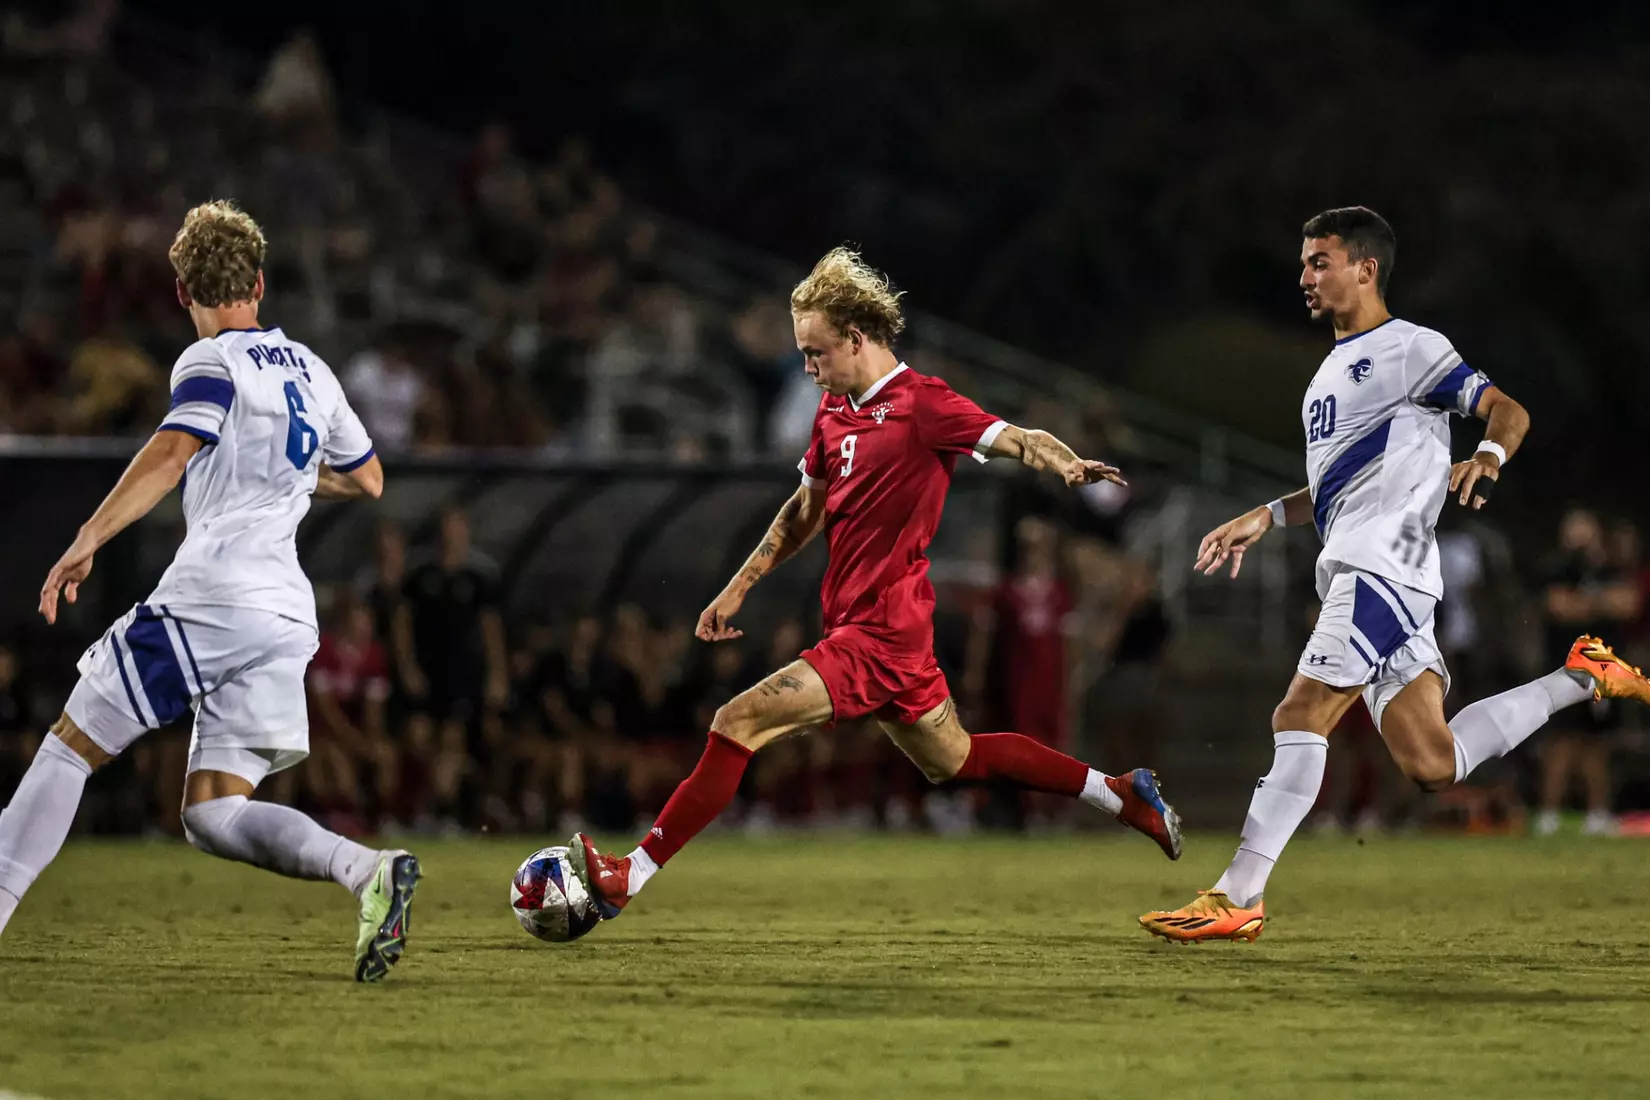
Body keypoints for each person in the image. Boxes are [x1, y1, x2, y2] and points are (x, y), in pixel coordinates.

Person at [567, 246, 1182, 922]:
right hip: (878, 632)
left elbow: (1017, 438)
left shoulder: (925, 404)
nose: (807, 367)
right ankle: (1119, 794)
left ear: (857, 338)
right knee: (957, 759)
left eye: (817, 352)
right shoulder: (833, 416)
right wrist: (739, 585)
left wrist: (1063, 461)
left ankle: (631, 873)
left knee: (736, 720)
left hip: (880, 632)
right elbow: (805, 511)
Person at [1140, 207, 1650, 943]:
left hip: (1383, 568)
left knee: (1299, 713)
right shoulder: (1325, 377)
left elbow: (1507, 409)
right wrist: (1267, 515)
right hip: (1377, 572)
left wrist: (1489, 456)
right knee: (1434, 762)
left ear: (1365, 269)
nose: (1305, 276)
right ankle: (1583, 675)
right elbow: (1338, 488)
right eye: (1305, 262)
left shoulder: (1411, 348)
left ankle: (1238, 894)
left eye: (1321, 261)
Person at [0, 202, 419, 981]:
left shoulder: (210, 361)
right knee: (213, 813)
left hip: (215, 598)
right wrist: (287, 478)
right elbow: (369, 478)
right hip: (286, 616)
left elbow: (169, 451)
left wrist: (88, 538)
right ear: (259, 282)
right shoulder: (314, 370)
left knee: (70, 744)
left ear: (182, 292)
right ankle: (368, 870)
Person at [1535, 509, 1641, 836]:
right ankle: (1548, 814)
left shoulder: (1610, 568)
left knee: (1597, 743)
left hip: (1604, 669)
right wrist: (1599, 603)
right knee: (1562, 741)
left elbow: (1628, 603)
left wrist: (1583, 603)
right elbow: (1558, 607)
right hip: (1565, 667)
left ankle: (1597, 814)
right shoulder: (1557, 568)